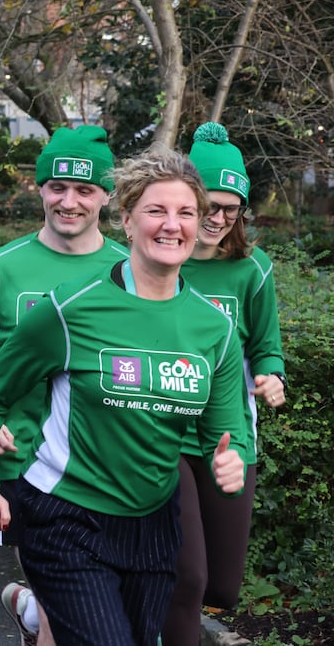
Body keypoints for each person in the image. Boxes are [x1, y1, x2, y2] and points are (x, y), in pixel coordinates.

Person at [0, 148, 248, 645]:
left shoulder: (214, 328)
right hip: (65, 517)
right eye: (156, 210)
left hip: (153, 526)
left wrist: (233, 460)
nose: (171, 225)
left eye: (186, 213)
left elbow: (226, 431)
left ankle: (34, 620)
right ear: (127, 218)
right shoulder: (72, 308)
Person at [0, 124, 127, 645]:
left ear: (106, 195)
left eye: (85, 189)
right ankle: (37, 613)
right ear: (39, 188)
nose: (69, 201)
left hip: (110, 471)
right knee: (67, 617)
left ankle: (29, 610)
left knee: (78, 610)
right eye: (57, 187)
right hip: (26, 465)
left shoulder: (128, 270)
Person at [161, 123, 287, 645]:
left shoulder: (252, 270)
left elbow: (267, 343)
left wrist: (271, 374)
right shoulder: (158, 259)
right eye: (206, 205)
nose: (216, 219)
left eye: (228, 209)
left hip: (230, 439)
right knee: (187, 579)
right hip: (164, 434)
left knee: (223, 588)